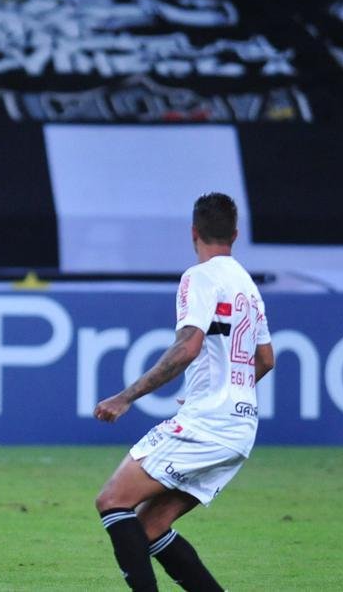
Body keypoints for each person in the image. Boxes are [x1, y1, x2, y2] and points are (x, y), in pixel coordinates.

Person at [93, 192, 275, 591]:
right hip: (240, 429)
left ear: (193, 232)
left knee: (112, 500)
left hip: (208, 423)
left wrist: (126, 397)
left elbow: (188, 347)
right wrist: (221, 388)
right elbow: (265, 359)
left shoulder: (200, 277)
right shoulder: (247, 286)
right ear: (235, 234)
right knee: (151, 526)